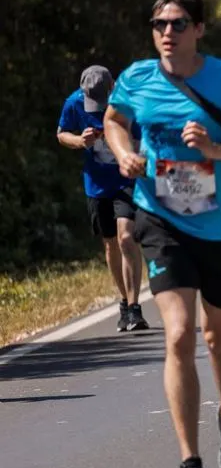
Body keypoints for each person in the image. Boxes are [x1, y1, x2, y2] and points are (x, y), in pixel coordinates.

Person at [103, 0, 221, 468]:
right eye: (160, 25)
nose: (168, 33)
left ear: (198, 29)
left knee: (216, 337)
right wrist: (124, 154)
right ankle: (190, 465)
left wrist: (217, 149)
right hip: (160, 219)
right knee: (178, 335)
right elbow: (114, 120)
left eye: (179, 24)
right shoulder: (135, 78)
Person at [57, 66, 148, 332]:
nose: (96, 107)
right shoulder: (74, 102)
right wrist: (80, 141)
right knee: (110, 245)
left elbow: (145, 139)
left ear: (113, 87)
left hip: (125, 179)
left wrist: (133, 155)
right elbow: (61, 134)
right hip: (96, 185)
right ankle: (123, 303)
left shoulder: (128, 102)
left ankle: (135, 308)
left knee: (126, 237)